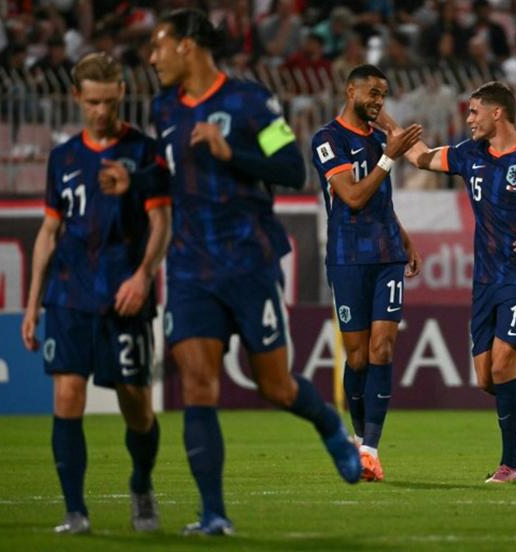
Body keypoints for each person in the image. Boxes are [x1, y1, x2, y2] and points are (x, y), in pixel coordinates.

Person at [103, 9, 362, 536]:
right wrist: (129, 178)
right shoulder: (164, 108)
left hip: (248, 262)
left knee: (276, 388)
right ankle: (214, 514)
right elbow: (166, 172)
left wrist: (232, 151)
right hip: (190, 267)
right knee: (199, 386)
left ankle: (329, 424)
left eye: (159, 46)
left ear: (189, 46)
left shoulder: (250, 103)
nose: (152, 57)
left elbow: (292, 168)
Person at [378, 81, 516, 483]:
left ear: (498, 113)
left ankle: (509, 466)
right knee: (487, 380)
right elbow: (422, 157)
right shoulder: (468, 154)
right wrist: (385, 122)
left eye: (475, 111)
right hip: (485, 281)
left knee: (503, 366)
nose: (469, 118)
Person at [20, 52, 171, 534]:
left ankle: (142, 486)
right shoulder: (62, 157)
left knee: (137, 406)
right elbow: (48, 232)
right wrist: (31, 303)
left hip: (125, 296)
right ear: (76, 97)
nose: (101, 112)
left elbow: (161, 222)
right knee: (67, 397)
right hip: (69, 296)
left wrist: (143, 274)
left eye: (109, 101)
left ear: (122, 95)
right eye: (92, 102)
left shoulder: (144, 153)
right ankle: (74, 510)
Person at [311, 64, 423, 482]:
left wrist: (404, 237)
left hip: (386, 255)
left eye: (384, 95)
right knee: (357, 355)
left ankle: (372, 450)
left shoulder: (379, 139)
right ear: (350, 90)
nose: (378, 101)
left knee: (383, 348)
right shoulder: (327, 139)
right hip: (346, 257)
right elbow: (354, 197)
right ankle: (359, 441)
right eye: (372, 93)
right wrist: (389, 157)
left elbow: (381, 202)